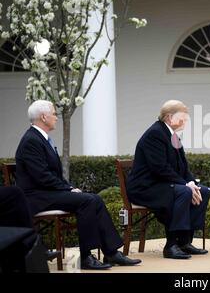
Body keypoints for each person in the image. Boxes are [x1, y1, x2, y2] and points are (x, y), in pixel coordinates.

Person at [15, 100, 141, 269]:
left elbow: (53, 175)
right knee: (87, 201)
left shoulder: (40, 138)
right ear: (43, 117)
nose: (56, 117)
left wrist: (70, 187)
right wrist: (67, 188)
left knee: (93, 198)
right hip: (36, 197)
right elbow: (42, 177)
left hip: (47, 193)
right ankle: (87, 257)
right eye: (54, 113)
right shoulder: (31, 140)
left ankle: (111, 253)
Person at [127, 100, 210, 259]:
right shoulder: (155, 133)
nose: (185, 120)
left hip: (163, 184)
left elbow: (183, 167)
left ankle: (184, 241)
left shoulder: (172, 135)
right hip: (145, 188)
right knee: (183, 193)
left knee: (203, 191)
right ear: (169, 117)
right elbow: (159, 168)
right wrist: (186, 185)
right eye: (182, 116)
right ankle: (171, 245)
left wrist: (191, 183)